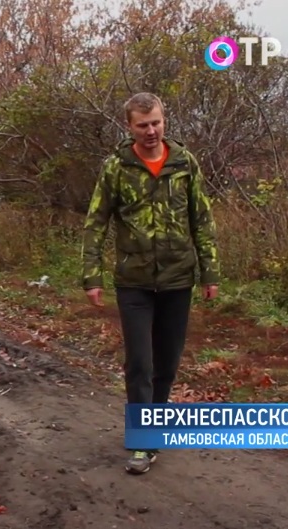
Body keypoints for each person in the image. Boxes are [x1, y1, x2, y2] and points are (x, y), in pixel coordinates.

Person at [80, 92, 220, 475]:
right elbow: (96, 223)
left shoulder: (183, 162)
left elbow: (201, 220)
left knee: (167, 365)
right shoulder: (116, 168)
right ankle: (143, 442)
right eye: (142, 125)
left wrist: (210, 272)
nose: (151, 131)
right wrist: (91, 274)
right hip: (134, 281)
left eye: (156, 122)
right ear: (130, 127)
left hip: (178, 278)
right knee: (140, 362)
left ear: (164, 121)